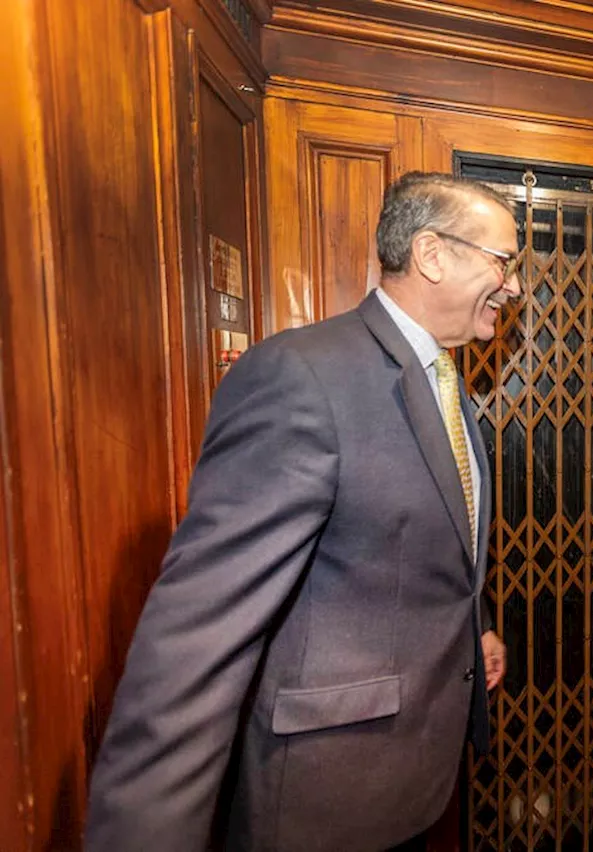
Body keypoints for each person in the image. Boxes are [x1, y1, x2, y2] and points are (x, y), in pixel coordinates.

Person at [86, 172, 524, 851]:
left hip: (411, 778)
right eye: (504, 261)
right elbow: (197, 638)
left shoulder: (445, 384)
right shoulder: (302, 377)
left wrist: (476, 624)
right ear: (434, 255)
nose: (514, 286)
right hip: (328, 795)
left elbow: (422, 540)